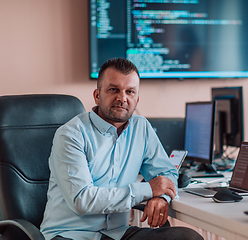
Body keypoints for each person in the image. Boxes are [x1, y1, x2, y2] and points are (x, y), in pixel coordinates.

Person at [40, 57, 203, 240]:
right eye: (113, 90)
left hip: (118, 234)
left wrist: (161, 198)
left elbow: (166, 173)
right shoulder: (71, 134)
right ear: (97, 95)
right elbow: (82, 200)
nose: (122, 98)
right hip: (70, 234)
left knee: (187, 237)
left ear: (137, 99)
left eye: (130, 92)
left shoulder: (141, 127)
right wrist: (148, 190)